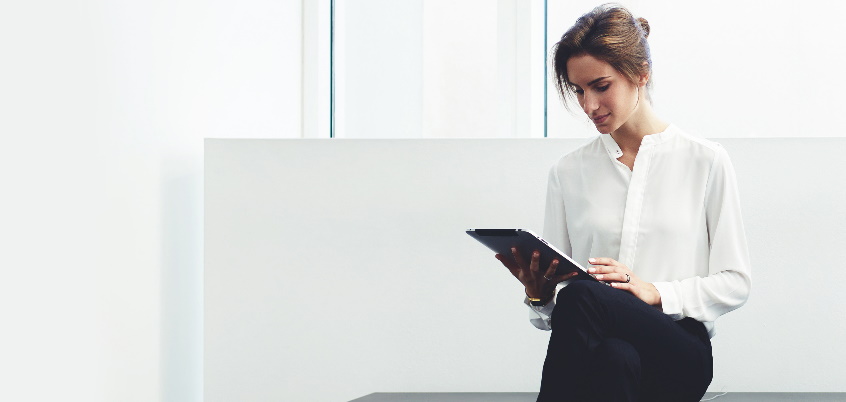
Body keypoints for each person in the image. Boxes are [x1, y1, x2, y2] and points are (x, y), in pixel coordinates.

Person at [494, 4, 752, 402]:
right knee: (612, 354)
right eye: (578, 91)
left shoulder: (705, 160)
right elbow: (557, 308)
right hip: (603, 351)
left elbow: (735, 283)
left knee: (582, 296)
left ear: (640, 74)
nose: (588, 106)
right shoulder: (568, 172)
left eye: (600, 86)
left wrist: (655, 291)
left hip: (679, 350)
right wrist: (538, 293)